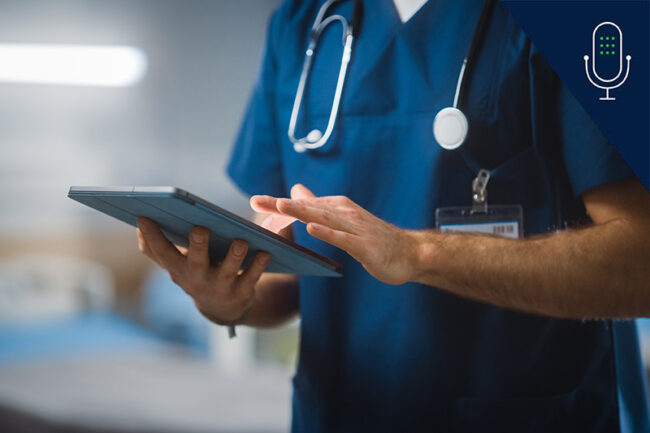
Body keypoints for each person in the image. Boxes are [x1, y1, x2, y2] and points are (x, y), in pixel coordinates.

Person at [136, 0, 650, 431]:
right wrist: (226, 300)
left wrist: (418, 253)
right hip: (336, 413)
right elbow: (297, 277)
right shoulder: (302, 26)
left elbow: (639, 263)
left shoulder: (591, 18)